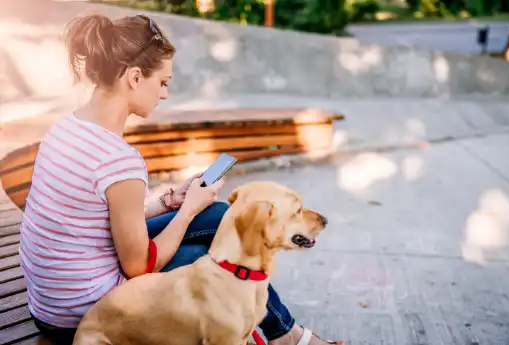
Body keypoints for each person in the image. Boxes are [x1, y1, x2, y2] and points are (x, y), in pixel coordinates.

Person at [18, 13, 341, 345]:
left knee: (218, 216)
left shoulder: (66, 128)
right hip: (88, 314)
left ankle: (283, 333)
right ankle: (287, 336)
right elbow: (139, 267)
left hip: (51, 302)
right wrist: (186, 211)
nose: (165, 94)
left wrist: (167, 202)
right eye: (162, 82)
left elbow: (90, 220)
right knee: (210, 261)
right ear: (134, 77)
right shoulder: (118, 160)